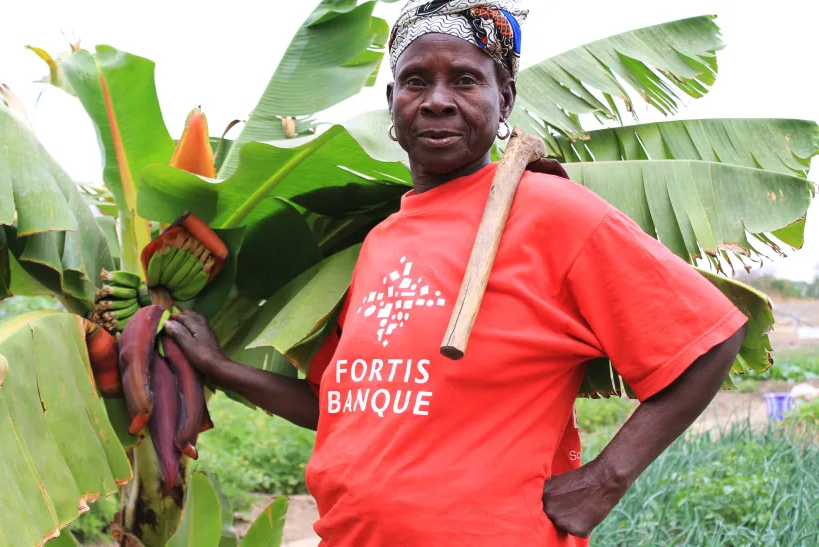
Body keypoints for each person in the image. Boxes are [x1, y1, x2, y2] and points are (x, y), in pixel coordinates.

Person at [164, 1, 749, 545]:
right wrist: (220, 367)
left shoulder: (550, 211)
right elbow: (342, 410)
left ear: (506, 98)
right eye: (417, 80)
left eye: (465, 80)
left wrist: (608, 476)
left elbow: (711, 338)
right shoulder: (383, 241)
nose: (437, 99)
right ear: (394, 101)